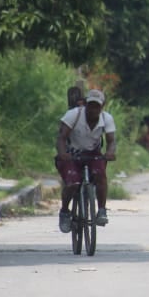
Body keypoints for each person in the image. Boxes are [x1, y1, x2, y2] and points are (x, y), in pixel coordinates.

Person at [56, 89, 116, 233]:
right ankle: (64, 211)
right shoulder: (74, 115)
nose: (94, 109)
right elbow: (61, 138)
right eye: (91, 105)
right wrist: (63, 153)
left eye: (97, 106)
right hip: (72, 155)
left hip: (93, 154)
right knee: (72, 183)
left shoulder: (106, 118)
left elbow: (111, 140)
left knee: (101, 176)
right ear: (85, 105)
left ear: (102, 107)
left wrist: (109, 152)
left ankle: (101, 210)